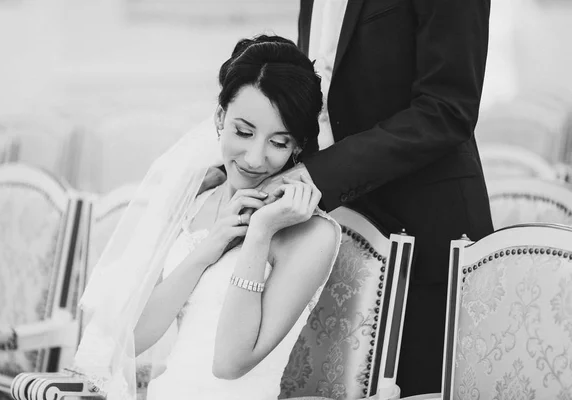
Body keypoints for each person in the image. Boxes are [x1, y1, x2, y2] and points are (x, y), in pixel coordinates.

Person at [70, 35, 341, 400]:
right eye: (243, 132)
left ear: (296, 146)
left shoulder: (311, 235)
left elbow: (229, 364)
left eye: (279, 142)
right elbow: (133, 338)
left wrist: (259, 233)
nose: (255, 158)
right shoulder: (197, 199)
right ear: (219, 117)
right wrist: (208, 248)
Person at [254, 0, 495, 396]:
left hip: (424, 239)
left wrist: (319, 176)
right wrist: (258, 165)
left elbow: (447, 110)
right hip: (325, 240)